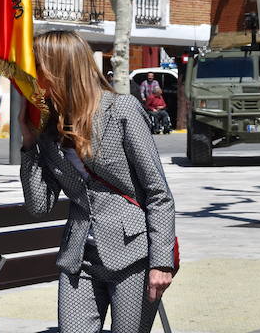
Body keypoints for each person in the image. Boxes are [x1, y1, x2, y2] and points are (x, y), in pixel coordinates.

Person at [20, 30, 175, 333]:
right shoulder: (50, 128)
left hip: (133, 255)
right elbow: (39, 205)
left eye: (36, 69)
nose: (31, 79)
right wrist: (29, 143)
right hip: (80, 257)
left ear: (59, 68)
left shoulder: (121, 110)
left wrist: (161, 262)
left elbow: (158, 193)